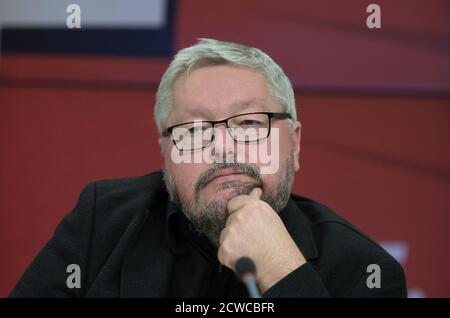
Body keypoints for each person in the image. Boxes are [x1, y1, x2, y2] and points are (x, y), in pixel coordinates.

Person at [10, 38, 406, 297]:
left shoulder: (364, 270)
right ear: (166, 153)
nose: (223, 147)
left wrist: (284, 273)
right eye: (195, 130)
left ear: (295, 143)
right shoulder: (103, 221)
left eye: (250, 124)